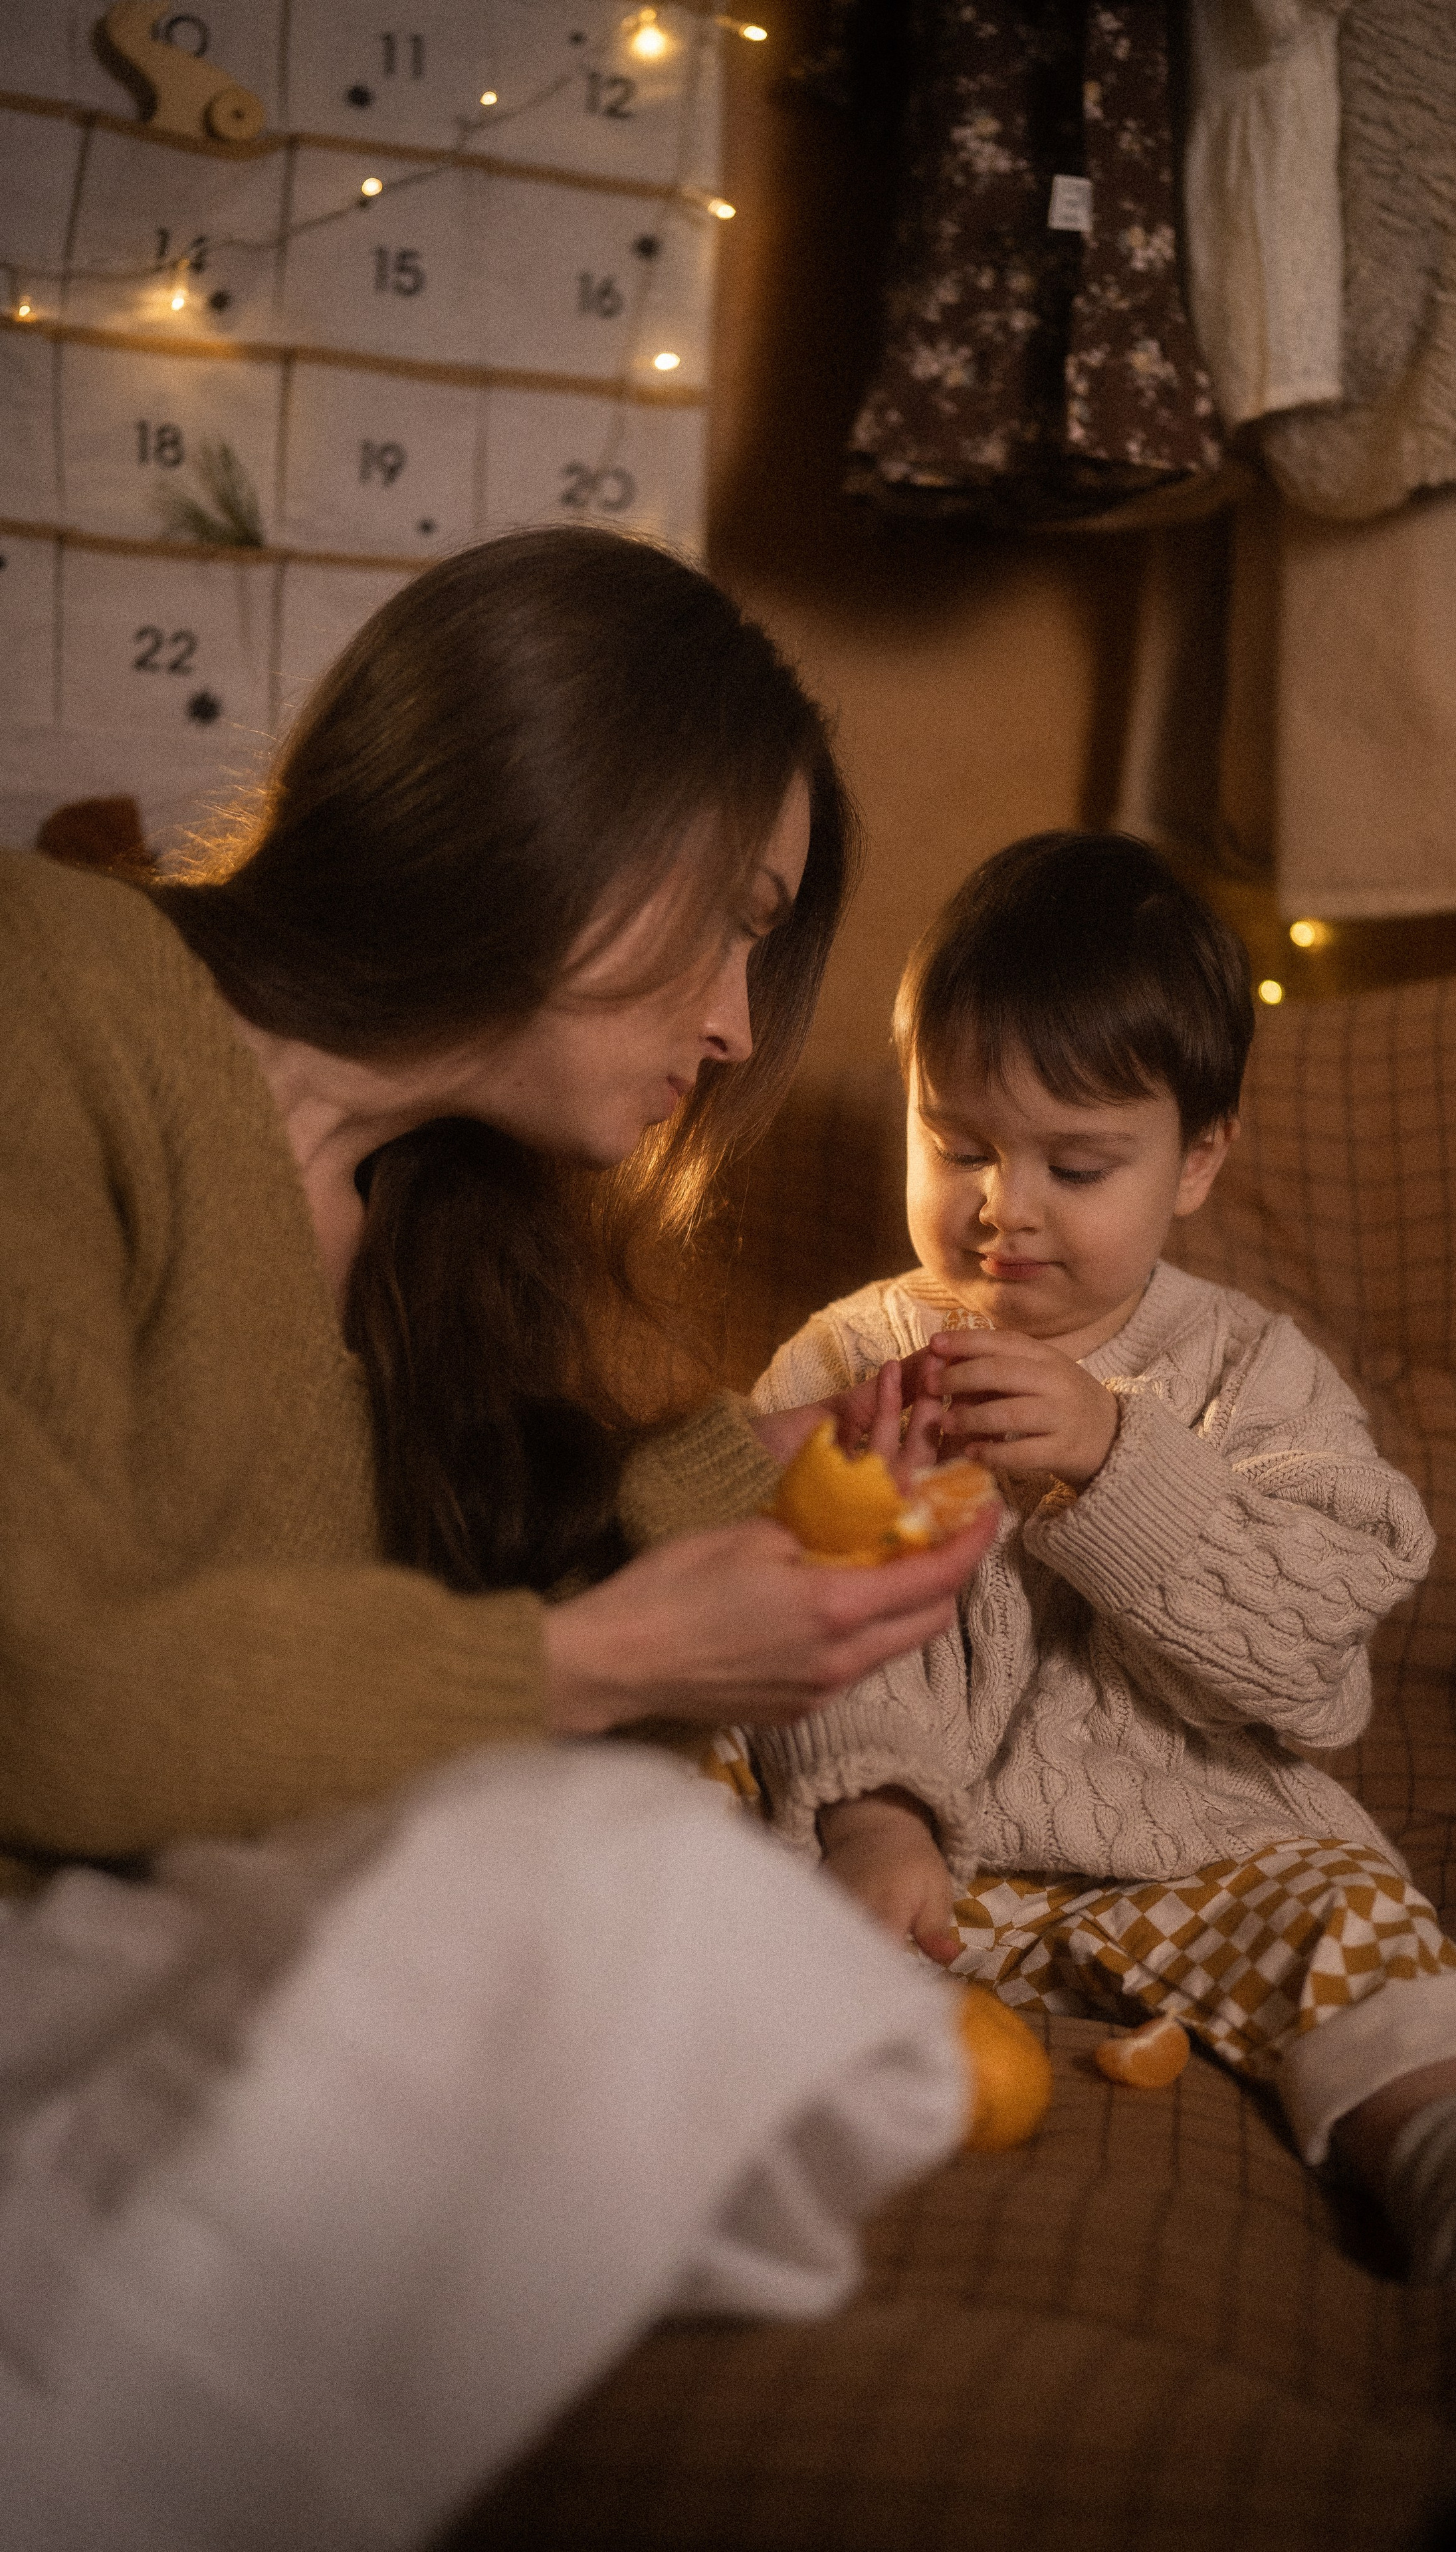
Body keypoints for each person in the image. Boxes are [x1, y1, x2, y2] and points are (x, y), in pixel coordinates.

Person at [0, 528, 997, 2551]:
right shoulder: (52, 981)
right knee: (623, 1896)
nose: (734, 1027)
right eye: (734, 922)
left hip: (137, 1945)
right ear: (556, 812)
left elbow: (349, 1671)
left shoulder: (410, 1244)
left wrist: (762, 1472)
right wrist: (607, 1662)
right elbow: (52, 1697)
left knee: (698, 1934)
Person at [750, 831, 1456, 2286]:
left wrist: (1111, 1463)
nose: (1004, 1204)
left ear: (1196, 1161)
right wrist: (874, 1815)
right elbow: (776, 1607)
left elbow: (1309, 1675)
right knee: (689, 1798)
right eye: (954, 1145)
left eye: (1076, 1164)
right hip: (922, 1881)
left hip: (1193, 1857)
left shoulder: (1250, 1372)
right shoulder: (851, 1354)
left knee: (1343, 1910)